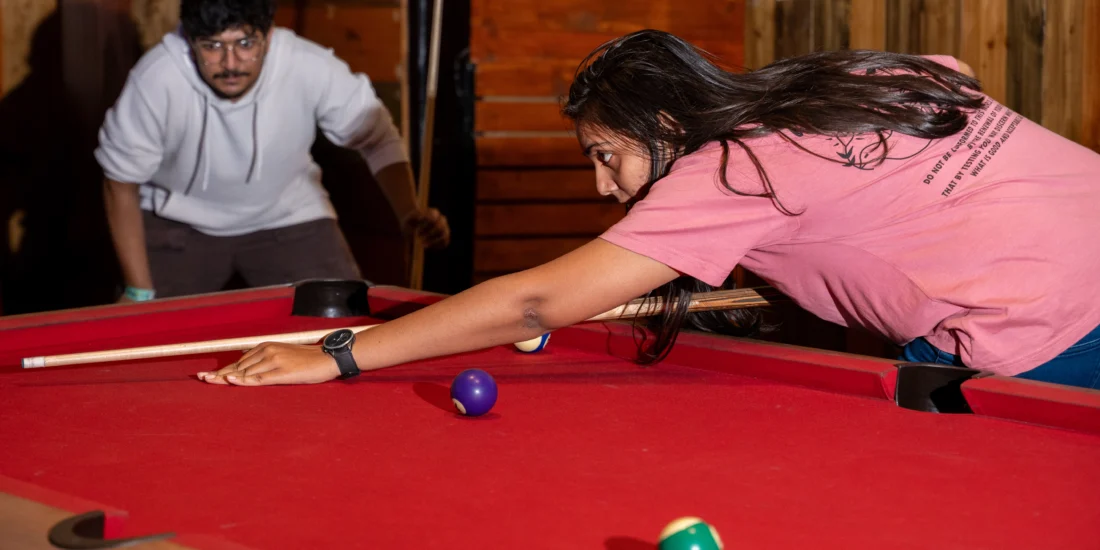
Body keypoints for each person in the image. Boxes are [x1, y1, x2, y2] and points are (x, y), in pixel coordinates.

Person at [197, 30, 1100, 390]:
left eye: (607, 156)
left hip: (1050, 333)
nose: (602, 185)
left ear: (667, 126)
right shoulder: (853, 81)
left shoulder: (730, 171)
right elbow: (960, 73)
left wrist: (341, 353)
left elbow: (534, 302)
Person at [97, 0, 449, 302]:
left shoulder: (309, 65)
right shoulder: (156, 78)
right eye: (213, 46)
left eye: (246, 43)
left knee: (347, 323)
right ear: (190, 40)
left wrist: (407, 211)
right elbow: (120, 181)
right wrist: (138, 291)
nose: (231, 63)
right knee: (147, 336)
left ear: (268, 35)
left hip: (288, 214)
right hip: (178, 222)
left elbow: (376, 137)